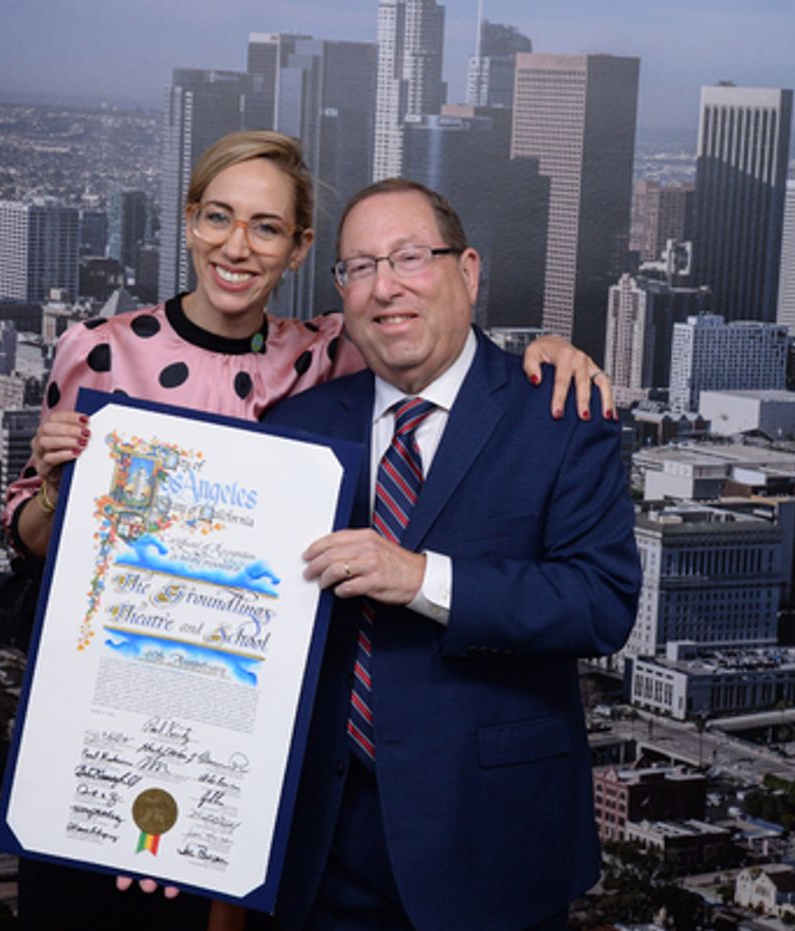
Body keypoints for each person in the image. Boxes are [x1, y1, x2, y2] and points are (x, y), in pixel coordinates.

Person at [2, 132, 613, 929]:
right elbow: (38, 540)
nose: (384, 287)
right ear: (188, 221)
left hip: (455, 832)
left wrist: (550, 350)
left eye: (266, 227)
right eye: (218, 217)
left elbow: (436, 349)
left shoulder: (331, 356)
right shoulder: (114, 354)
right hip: (211, 770)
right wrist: (57, 490)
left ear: (296, 250)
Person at [262, 178, 641, 931]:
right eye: (359, 267)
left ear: (467, 271)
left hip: (494, 843)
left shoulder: (561, 413)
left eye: (409, 257)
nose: (385, 286)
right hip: (321, 846)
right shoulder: (298, 426)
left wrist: (423, 577)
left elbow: (601, 602)